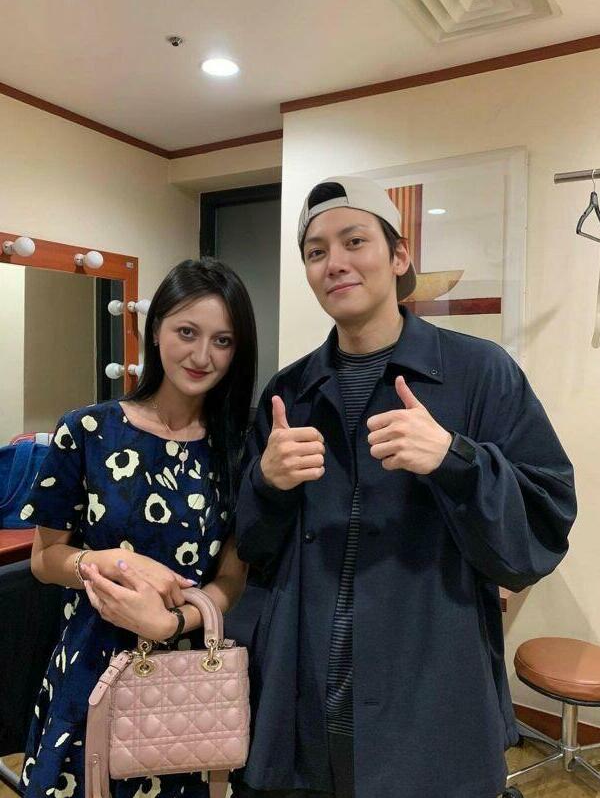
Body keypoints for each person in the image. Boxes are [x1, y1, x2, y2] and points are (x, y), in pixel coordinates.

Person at [231, 176, 577, 798]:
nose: (334, 263)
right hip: (306, 699)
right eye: (315, 251)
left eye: (354, 241)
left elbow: (541, 533)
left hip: (431, 700)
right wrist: (267, 483)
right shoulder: (290, 392)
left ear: (398, 255)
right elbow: (252, 546)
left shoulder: (479, 373)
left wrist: (455, 458)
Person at [19, 257, 257, 798]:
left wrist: (171, 623)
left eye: (222, 341)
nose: (202, 356)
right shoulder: (86, 429)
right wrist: (108, 562)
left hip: (189, 675)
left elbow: (232, 579)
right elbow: (45, 560)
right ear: (155, 330)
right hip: (90, 664)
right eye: (187, 332)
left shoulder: (240, 447)